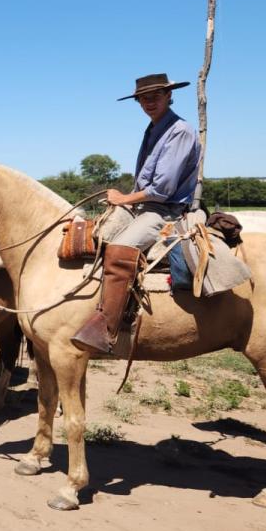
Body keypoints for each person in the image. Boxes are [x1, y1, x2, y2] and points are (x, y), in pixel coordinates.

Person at [71, 73, 203, 354]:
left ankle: (108, 329)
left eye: (156, 96)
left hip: (164, 211)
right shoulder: (154, 128)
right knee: (91, 234)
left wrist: (123, 198)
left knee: (120, 248)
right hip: (143, 206)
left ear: (169, 96)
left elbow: (162, 189)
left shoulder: (179, 130)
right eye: (144, 98)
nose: (149, 102)